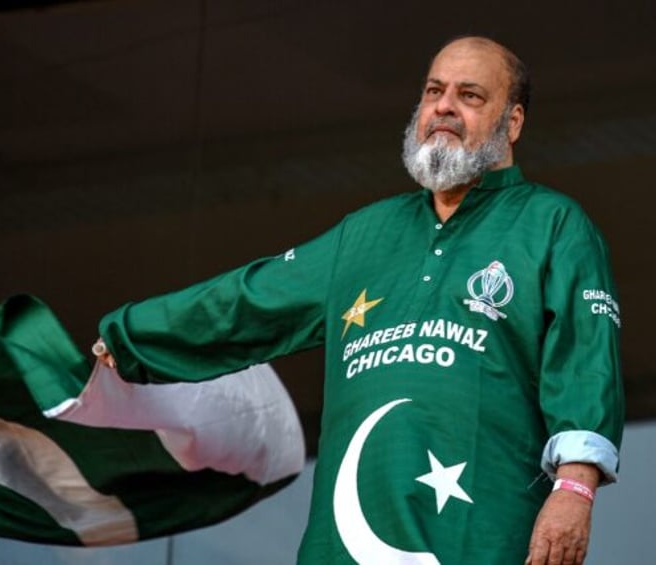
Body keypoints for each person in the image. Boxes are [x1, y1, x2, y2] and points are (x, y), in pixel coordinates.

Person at [93, 35, 624, 564]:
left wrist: (574, 490)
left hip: (480, 538)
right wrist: (134, 337)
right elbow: (246, 300)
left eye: (470, 96)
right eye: (434, 91)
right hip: (345, 547)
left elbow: (584, 358)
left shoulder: (551, 223)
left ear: (513, 122)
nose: (443, 106)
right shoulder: (365, 235)